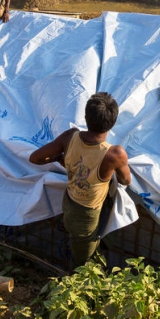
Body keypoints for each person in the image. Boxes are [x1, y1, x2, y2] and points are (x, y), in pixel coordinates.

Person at [29, 92, 131, 269]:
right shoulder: (114, 154)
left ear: (85, 117)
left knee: (81, 241)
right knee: (83, 263)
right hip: (86, 216)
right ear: (113, 123)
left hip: (69, 202)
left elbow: (35, 158)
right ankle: (76, 286)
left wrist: (60, 158)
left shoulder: (70, 136)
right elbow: (126, 180)